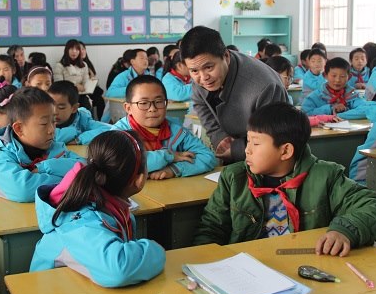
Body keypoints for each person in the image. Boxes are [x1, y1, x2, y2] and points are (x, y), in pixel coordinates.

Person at [193, 102, 376, 256]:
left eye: (255, 144)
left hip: (304, 265)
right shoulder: (233, 178)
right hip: (248, 268)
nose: (247, 150)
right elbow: (211, 228)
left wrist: (346, 231)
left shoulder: (325, 177)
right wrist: (204, 263)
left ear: (285, 151)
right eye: (248, 141)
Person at [30, 130, 166, 287]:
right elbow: (118, 270)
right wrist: (158, 251)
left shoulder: (112, 207)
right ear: (140, 179)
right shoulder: (82, 221)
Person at [180, 26, 287, 163]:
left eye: (209, 67)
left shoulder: (265, 86)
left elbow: (273, 135)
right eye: (194, 71)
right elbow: (201, 103)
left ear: (226, 56)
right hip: (238, 151)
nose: (203, 77)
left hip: (271, 158)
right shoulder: (201, 74)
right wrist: (219, 137)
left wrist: (236, 149)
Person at [0, 87, 83, 202]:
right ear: (19, 129)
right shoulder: (2, 157)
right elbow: (24, 190)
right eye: (44, 123)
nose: (52, 130)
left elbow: (84, 167)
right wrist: (70, 177)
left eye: (54, 122)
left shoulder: (56, 148)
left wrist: (46, 167)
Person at [113, 76, 217, 179]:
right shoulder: (119, 134)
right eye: (143, 103)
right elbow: (121, 163)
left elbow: (208, 157)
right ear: (128, 108)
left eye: (158, 102)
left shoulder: (176, 131)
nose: (152, 109)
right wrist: (169, 156)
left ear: (166, 104)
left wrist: (174, 169)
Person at [266, 56, 340, 127]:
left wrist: (326, 118)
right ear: (272, 75)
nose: (289, 82)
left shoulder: (287, 98)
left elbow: (293, 119)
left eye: (290, 78)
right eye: (286, 78)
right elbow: (288, 122)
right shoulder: (267, 99)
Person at [48, 81, 112, 145]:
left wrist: (79, 139)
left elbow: (109, 129)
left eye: (61, 107)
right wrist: (74, 131)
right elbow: (52, 138)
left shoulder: (82, 119)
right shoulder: (44, 120)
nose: (54, 112)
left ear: (74, 108)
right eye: (50, 106)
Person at [301, 57, 365, 117]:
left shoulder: (353, 94)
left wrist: (345, 110)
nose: (337, 80)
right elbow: (305, 113)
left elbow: (364, 108)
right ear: (325, 75)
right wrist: (330, 109)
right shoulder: (316, 96)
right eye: (334, 76)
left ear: (349, 77)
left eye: (342, 76)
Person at [53, 39, 92, 111]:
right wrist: (75, 85)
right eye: (71, 49)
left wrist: (85, 86)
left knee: (86, 103)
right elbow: (59, 85)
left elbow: (85, 83)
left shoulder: (84, 65)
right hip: (66, 96)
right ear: (66, 50)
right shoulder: (59, 65)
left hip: (81, 95)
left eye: (77, 49)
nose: (74, 51)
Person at [79, 41, 105, 120]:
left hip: (90, 90)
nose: (82, 51)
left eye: (83, 49)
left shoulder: (87, 63)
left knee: (100, 99)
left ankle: (101, 121)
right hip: (81, 91)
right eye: (79, 49)